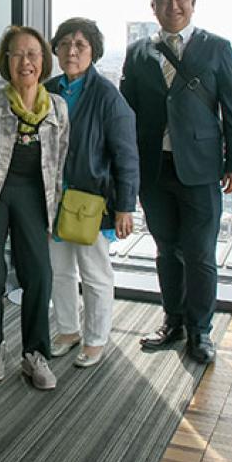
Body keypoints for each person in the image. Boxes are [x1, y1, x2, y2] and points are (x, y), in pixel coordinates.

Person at [120, 0, 232, 364]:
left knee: (200, 254)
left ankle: (200, 331)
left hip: (202, 169)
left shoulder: (217, 47)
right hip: (154, 169)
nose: (172, 5)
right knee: (166, 250)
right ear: (152, 6)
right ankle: (172, 321)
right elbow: (127, 113)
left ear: (193, 2)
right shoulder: (138, 52)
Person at [0, 26, 68, 390]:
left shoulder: (57, 106)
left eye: (33, 53)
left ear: (43, 60)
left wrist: (54, 212)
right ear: (6, 61)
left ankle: (35, 354)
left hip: (34, 195)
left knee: (40, 274)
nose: (25, 61)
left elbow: (60, 162)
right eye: (17, 54)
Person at [46, 18, 139, 367]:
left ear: (93, 51)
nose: (71, 51)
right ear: (55, 49)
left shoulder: (107, 96)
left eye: (80, 45)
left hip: (91, 201)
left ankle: (96, 339)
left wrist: (125, 207)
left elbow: (126, 156)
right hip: (53, 199)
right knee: (59, 271)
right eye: (65, 44)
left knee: (95, 273)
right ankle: (68, 331)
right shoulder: (48, 89)